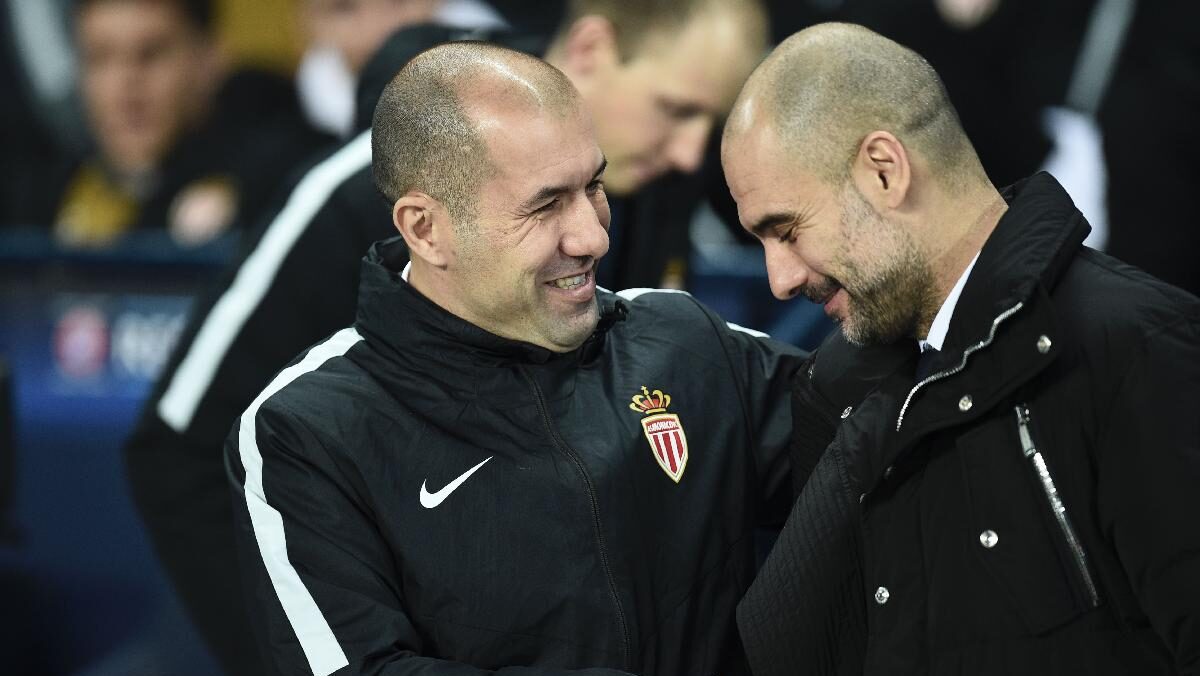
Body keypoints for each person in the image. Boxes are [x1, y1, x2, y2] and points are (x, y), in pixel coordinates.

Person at [124, 2, 767, 672]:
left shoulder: (651, 174)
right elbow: (174, 444)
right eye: (675, 108)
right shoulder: (350, 194)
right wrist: (310, 647)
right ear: (593, 48)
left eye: (709, 119)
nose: (694, 149)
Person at [723, 22, 1200, 676]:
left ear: (884, 171)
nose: (780, 279)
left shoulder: (1140, 348)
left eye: (786, 229)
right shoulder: (838, 394)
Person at [28, 0, 328, 248]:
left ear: (209, 59)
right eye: (100, 58)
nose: (125, 85)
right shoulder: (49, 192)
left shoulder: (283, 172)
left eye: (151, 54)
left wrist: (241, 200)